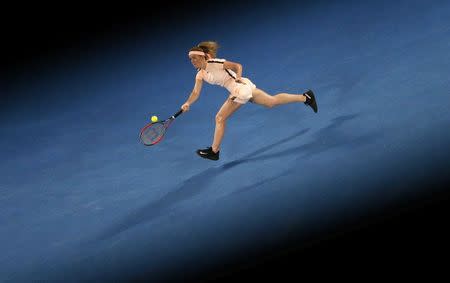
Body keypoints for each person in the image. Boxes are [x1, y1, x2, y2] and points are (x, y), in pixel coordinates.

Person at [181, 41, 318, 161]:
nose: (192, 61)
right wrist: (188, 103)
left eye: (194, 58)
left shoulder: (215, 63)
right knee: (272, 102)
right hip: (240, 89)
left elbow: (237, 66)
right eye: (190, 59)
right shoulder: (200, 74)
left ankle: (214, 151)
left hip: (240, 87)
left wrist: (238, 78)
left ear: (202, 56)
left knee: (220, 118)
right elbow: (195, 92)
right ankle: (306, 97)